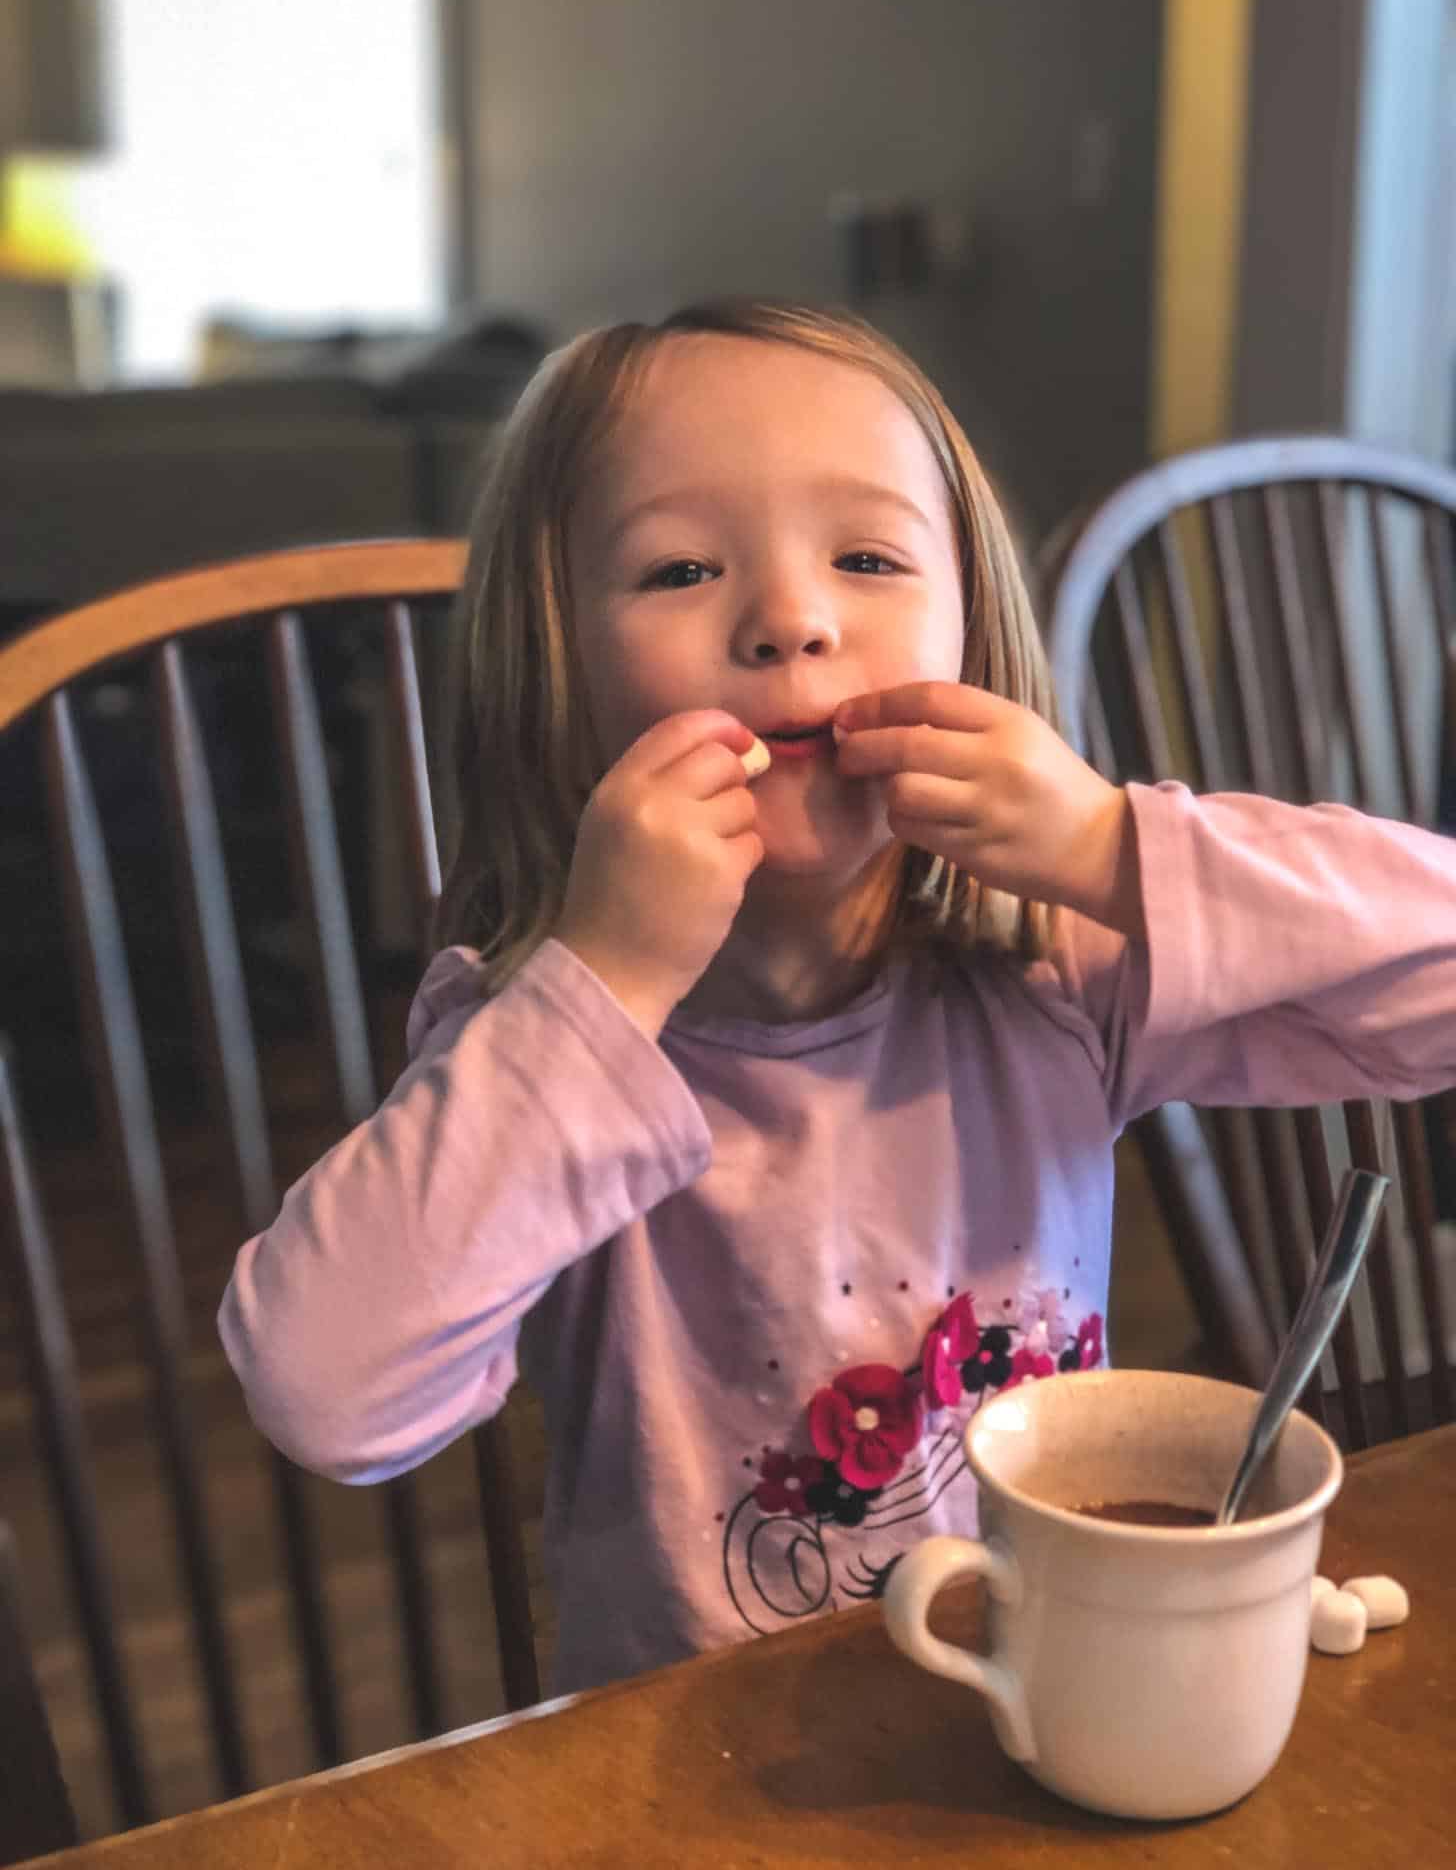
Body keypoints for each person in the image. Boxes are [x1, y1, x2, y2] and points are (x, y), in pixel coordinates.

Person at [219, 300, 1456, 1697]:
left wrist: (1112, 848)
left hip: (1038, 1722)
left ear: (973, 634)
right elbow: (325, 1389)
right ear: (556, 679)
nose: (792, 622)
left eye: (867, 557)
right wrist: (608, 976)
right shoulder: (545, 1045)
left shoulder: (1050, 970)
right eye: (681, 568)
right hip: (689, 1793)